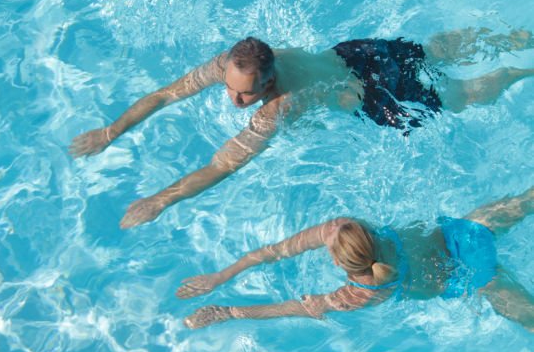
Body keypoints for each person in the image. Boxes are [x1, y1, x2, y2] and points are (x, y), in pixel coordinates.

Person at [70, 30, 534, 229]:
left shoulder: (278, 108)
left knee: (459, 96)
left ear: (268, 81)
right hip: (354, 53)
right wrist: (112, 132)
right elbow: (166, 94)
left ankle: (517, 69)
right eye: (230, 88)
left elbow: (222, 165)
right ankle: (512, 37)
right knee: (430, 50)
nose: (233, 100)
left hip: (375, 94)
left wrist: (160, 199)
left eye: (244, 96)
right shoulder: (236, 65)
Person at [177, 187, 534, 333]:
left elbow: (296, 303)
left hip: (470, 278)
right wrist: (223, 275)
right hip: (460, 235)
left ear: (335, 259)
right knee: (523, 201)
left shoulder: (365, 290)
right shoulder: (352, 228)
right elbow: (279, 252)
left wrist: (230, 311)